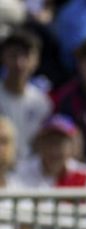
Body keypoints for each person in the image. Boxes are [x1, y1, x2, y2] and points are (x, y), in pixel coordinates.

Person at [0, 29, 52, 161]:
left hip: (30, 167)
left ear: (36, 60)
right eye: (13, 55)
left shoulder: (43, 103)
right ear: (3, 57)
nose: (19, 63)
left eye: (26, 56)